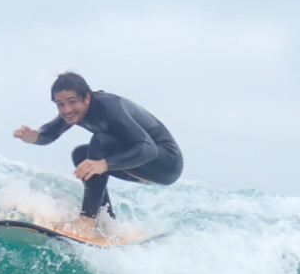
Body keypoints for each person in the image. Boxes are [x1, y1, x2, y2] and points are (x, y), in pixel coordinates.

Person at [14, 72, 182, 232]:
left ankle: (87, 221)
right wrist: (35, 137)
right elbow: (50, 134)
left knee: (100, 142)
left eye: (72, 101)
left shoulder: (109, 108)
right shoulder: (74, 113)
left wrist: (105, 164)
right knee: (81, 155)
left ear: (87, 97)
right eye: (60, 104)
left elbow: (148, 148)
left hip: (166, 163)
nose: (66, 110)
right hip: (138, 163)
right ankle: (106, 224)